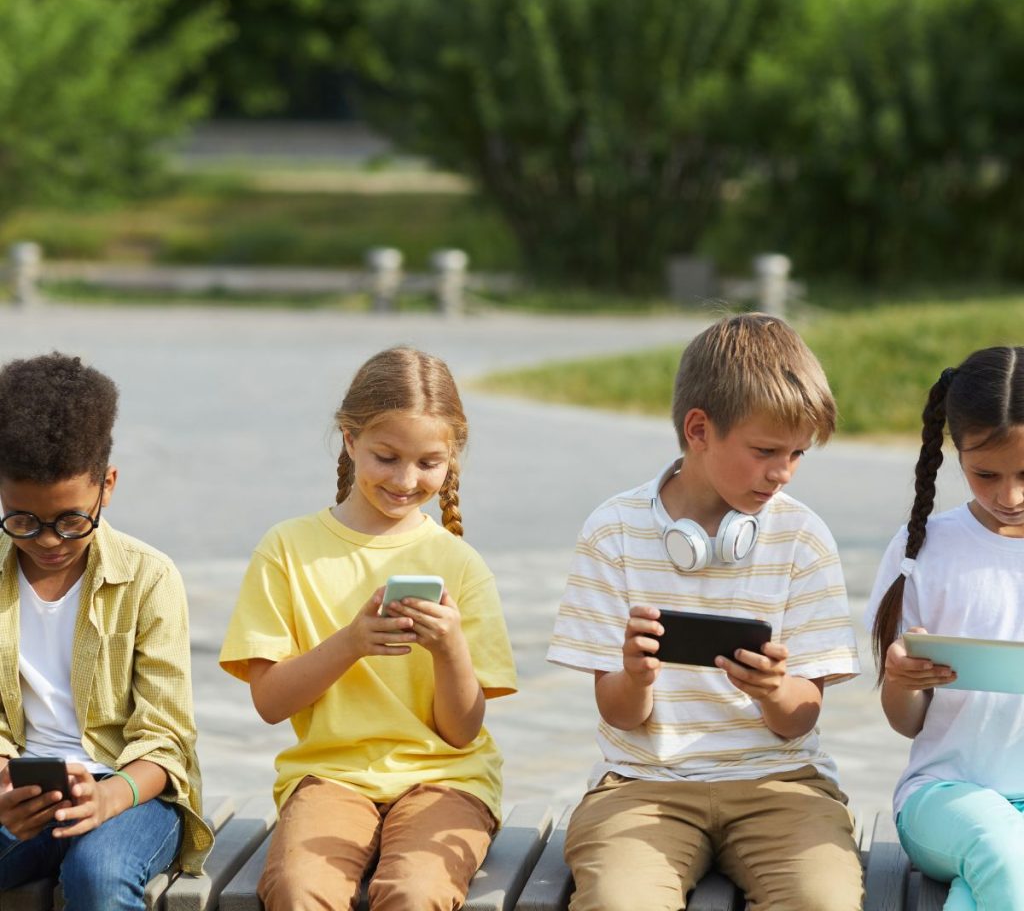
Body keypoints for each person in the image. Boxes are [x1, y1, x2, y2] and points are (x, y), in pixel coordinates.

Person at [548, 312, 863, 911]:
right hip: (642, 787)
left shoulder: (802, 535)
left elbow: (799, 718)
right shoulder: (613, 531)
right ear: (699, 429)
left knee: (823, 901)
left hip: (782, 784)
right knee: (619, 902)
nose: (783, 473)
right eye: (766, 450)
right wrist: (636, 678)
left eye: (797, 454)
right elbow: (618, 714)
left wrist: (774, 691)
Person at [219, 346, 517, 911]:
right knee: (299, 886)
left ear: (452, 459)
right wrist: (350, 644)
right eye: (387, 456)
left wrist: (451, 647)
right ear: (350, 441)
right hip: (330, 777)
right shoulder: (287, 549)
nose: (407, 480)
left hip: (449, 780)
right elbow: (269, 702)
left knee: (417, 889)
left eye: (429, 463)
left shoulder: (460, 563)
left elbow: (461, 733)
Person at [0, 353, 211, 911]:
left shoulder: (148, 578)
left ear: (107, 486)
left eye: (72, 521)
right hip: (17, 795)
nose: (48, 541)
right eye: (22, 521)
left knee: (99, 872)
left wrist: (110, 796)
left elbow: (167, 741)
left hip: (132, 793)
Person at [868, 346, 1024, 910]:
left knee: (1000, 870)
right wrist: (902, 681)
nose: (1010, 497)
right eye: (986, 475)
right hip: (945, 796)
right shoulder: (924, 552)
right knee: (1002, 849)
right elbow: (906, 723)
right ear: (955, 453)